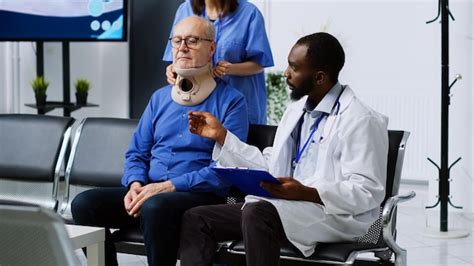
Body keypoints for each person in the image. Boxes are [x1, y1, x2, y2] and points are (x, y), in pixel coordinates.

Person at [180, 32, 389, 266]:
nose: (286, 74)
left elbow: (367, 191)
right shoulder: (297, 110)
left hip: (334, 215)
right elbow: (271, 163)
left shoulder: (360, 119)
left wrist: (308, 192)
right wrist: (221, 135)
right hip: (286, 206)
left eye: (294, 68)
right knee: (197, 218)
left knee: (257, 213)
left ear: (319, 77)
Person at [71, 16, 249, 266]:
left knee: (155, 206)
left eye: (192, 40)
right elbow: (136, 153)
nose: (182, 47)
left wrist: (169, 186)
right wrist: (134, 184)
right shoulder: (159, 98)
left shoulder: (232, 101)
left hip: (198, 195)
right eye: (177, 41)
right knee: (84, 204)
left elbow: (227, 170)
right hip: (150, 191)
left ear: (211, 48)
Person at [163, 0, 274, 125]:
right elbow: (177, 53)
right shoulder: (185, 10)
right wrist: (172, 68)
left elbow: (260, 63)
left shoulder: (250, 13)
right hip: (195, 104)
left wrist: (231, 69)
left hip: (240, 105)